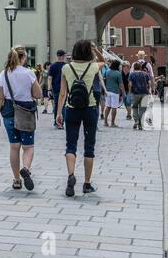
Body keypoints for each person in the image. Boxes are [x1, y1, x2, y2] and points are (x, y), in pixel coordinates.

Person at [56, 40, 105, 196]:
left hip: (72, 109)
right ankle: (87, 184)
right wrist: (96, 50)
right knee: (89, 147)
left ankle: (71, 175)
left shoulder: (66, 68)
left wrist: (58, 113)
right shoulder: (93, 66)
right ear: (88, 52)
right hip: (90, 109)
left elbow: (62, 93)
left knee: (70, 145)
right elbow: (104, 60)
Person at [0, 47, 42, 191]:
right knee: (28, 147)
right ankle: (26, 168)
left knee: (14, 146)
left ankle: (16, 180)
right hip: (25, 111)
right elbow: (38, 94)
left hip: (8, 110)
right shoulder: (29, 73)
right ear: (24, 57)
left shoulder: (4, 74)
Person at [128, 58, 152, 130]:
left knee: (134, 107)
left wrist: (130, 91)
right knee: (142, 109)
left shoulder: (131, 74)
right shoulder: (145, 74)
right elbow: (149, 82)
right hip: (145, 93)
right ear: (140, 67)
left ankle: (136, 121)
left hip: (135, 93)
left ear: (134, 67)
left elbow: (130, 84)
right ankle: (140, 124)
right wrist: (149, 89)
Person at [48, 49, 67, 128]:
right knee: (64, 105)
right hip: (65, 88)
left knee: (57, 105)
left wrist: (49, 89)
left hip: (55, 88)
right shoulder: (66, 66)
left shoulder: (52, 66)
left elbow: (50, 78)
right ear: (63, 56)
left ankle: (57, 123)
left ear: (57, 56)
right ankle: (62, 122)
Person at [102, 58, 124, 128]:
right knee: (114, 107)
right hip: (115, 92)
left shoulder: (107, 71)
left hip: (107, 91)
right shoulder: (118, 73)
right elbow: (121, 84)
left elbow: (104, 80)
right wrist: (123, 93)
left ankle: (105, 122)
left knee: (108, 106)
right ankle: (112, 123)